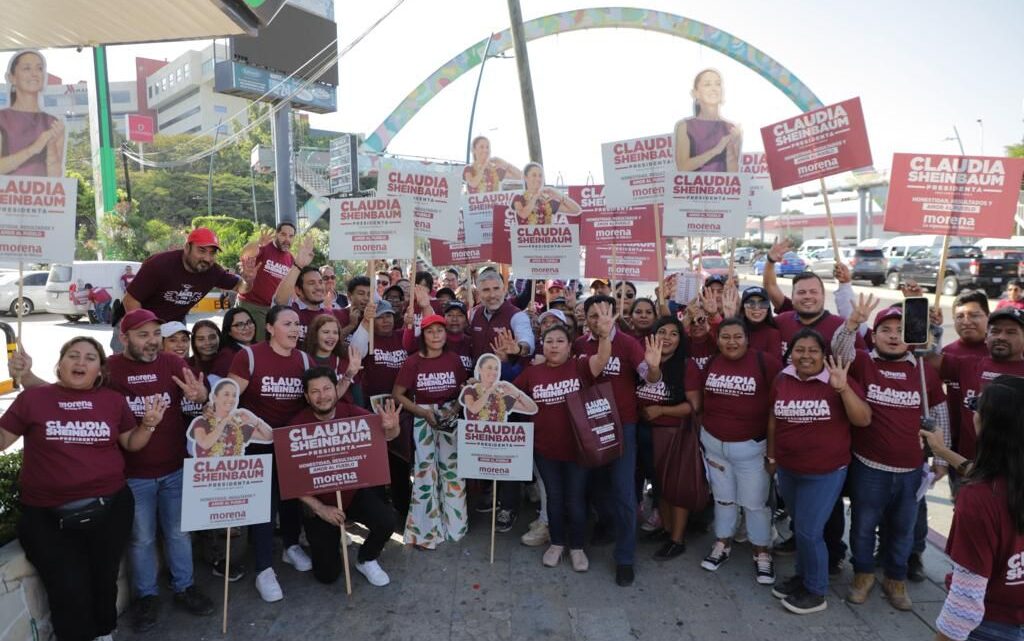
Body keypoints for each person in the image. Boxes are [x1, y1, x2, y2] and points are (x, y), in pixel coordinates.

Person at [6, 310, 216, 632]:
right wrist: (26, 376)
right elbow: (65, 393)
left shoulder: (173, 363)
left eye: (156, 334)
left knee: (178, 533)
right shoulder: (111, 369)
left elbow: (200, 396)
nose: (152, 341)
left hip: (174, 470)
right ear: (124, 336)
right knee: (141, 540)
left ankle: (184, 588)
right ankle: (146, 598)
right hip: (132, 476)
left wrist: (200, 396)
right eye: (143, 335)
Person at [1, 337, 160, 641]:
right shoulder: (33, 399)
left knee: (104, 578)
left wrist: (148, 425)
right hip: (47, 516)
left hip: (110, 509)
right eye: (73, 356)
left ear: (100, 370)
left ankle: (104, 631)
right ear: (59, 364)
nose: (80, 362)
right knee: (67, 588)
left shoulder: (113, 401)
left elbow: (131, 443)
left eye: (90, 358)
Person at [838, 306, 949, 611]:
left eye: (900, 331)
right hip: (869, 466)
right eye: (885, 330)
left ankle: (895, 579)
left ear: (911, 338)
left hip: (911, 469)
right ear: (873, 336)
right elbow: (838, 350)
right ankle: (862, 574)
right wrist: (851, 325)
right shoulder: (862, 361)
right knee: (862, 525)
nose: (893, 336)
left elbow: (938, 413)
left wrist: (941, 456)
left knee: (903, 528)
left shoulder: (923, 369)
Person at [767, 329, 871, 615]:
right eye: (800, 350)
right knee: (800, 529)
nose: (806, 356)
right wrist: (772, 455)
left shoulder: (835, 379)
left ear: (823, 354)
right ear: (791, 353)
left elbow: (863, 419)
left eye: (813, 350)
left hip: (825, 472)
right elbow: (774, 420)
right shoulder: (782, 378)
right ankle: (803, 576)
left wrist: (842, 389)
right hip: (789, 469)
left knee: (810, 532)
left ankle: (816, 590)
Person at [924, 375, 1024, 641]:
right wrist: (942, 451)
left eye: (976, 405)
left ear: (989, 424)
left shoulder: (978, 499)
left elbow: (965, 604)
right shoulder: (1005, 483)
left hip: (989, 626)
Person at [226, 305, 313, 602]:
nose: (294, 329)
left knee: (291, 498)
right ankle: (263, 568)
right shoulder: (248, 356)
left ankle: (291, 547)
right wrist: (254, 428)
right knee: (263, 507)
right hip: (257, 446)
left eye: (298, 324)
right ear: (271, 328)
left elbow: (317, 398)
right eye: (287, 323)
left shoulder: (304, 359)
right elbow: (228, 403)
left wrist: (349, 375)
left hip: (291, 444)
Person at [575, 295, 663, 587]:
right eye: (592, 315)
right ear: (585, 318)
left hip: (622, 426)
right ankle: (606, 524)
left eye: (605, 314)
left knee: (624, 491)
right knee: (596, 485)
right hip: (588, 424)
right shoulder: (579, 344)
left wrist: (652, 368)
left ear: (615, 316)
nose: (599, 319)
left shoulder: (628, 343)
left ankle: (625, 557)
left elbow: (649, 378)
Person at [686, 318, 782, 582]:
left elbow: (779, 408)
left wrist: (773, 453)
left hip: (751, 450)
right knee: (723, 499)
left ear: (747, 338)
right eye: (725, 336)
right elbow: (702, 401)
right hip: (715, 447)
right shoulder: (711, 363)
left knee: (754, 504)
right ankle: (722, 542)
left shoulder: (766, 363)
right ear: (717, 340)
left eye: (737, 336)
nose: (731, 342)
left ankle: (761, 551)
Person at [291, 367, 402, 587]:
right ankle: (331, 544)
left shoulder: (352, 412)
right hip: (320, 504)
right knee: (327, 576)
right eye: (315, 391)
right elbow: (292, 480)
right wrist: (320, 509)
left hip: (352, 493)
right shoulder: (295, 426)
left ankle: (366, 558)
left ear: (336, 389)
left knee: (387, 520)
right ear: (306, 396)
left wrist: (392, 427)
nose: (322, 396)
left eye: (326, 388)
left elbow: (387, 436)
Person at [513, 324, 599, 571]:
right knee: (554, 498)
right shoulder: (532, 373)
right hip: (545, 450)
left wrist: (603, 334)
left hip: (578, 449)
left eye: (560, 340)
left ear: (570, 346)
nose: (554, 345)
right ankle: (558, 542)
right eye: (549, 340)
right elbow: (510, 394)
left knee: (575, 499)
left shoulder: (580, 366)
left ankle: (577, 547)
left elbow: (602, 359)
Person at [392, 314, 469, 549]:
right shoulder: (413, 361)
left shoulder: (454, 359)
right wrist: (422, 413)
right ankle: (424, 531)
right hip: (422, 418)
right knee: (425, 474)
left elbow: (462, 392)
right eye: (430, 331)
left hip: (449, 419)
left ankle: (455, 527)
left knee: (453, 473)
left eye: (440, 331)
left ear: (446, 335)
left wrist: (455, 409)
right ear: (423, 335)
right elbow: (398, 394)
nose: (436, 335)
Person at [636, 317, 695, 560]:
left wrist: (661, 411)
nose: (667, 337)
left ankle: (677, 540)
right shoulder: (642, 364)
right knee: (660, 487)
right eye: (662, 332)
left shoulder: (687, 366)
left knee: (675, 488)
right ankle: (667, 529)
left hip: (674, 435)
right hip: (646, 434)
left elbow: (693, 406)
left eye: (673, 333)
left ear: (680, 339)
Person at [125, 228, 256, 324]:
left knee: (178, 361)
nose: (207, 258)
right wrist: (146, 331)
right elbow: (130, 300)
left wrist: (248, 280)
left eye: (212, 253)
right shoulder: (159, 264)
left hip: (175, 324)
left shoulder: (213, 271)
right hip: (137, 318)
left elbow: (241, 287)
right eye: (201, 250)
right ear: (187, 248)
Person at [0, 50, 64, 176]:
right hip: (7, 194)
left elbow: (55, 178)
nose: (34, 74)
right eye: (26, 68)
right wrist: (33, 149)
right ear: (11, 78)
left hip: (40, 195)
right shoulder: (2, 118)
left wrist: (51, 147)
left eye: (39, 68)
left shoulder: (53, 123)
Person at [235, 223, 296, 342]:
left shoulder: (290, 258)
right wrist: (258, 243)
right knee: (258, 345)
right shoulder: (264, 248)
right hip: (252, 305)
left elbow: (290, 285)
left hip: (273, 310)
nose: (287, 239)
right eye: (283, 234)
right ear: (277, 234)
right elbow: (245, 254)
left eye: (291, 236)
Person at [673, 68, 740, 173]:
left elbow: (734, 175)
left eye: (718, 84)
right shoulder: (685, 126)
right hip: (694, 188)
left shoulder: (731, 128)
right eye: (707, 84)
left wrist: (735, 144)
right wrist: (716, 150)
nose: (714, 88)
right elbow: (682, 167)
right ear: (695, 93)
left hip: (721, 188)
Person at [187, 378, 272, 457]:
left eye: (234, 395)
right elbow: (205, 444)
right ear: (214, 397)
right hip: (208, 471)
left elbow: (269, 437)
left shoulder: (238, 424)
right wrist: (224, 421)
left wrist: (255, 421)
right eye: (226, 394)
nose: (231, 399)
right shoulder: (202, 422)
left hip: (235, 472)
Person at [303, 312, 362, 404]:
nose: (331, 337)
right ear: (315, 335)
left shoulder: (346, 361)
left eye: (335, 333)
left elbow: (358, 400)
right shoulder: (304, 361)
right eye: (326, 332)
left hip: (347, 415)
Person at [511, 163, 581, 225]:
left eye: (540, 176)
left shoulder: (547, 200)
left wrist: (558, 195)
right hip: (525, 238)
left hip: (546, 238)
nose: (538, 179)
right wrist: (536, 196)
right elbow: (523, 214)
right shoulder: (518, 198)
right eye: (534, 175)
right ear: (525, 177)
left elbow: (576, 210)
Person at [335, 276, 374, 344]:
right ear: (349, 296)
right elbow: (331, 342)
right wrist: (351, 325)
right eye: (361, 294)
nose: (366, 298)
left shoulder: (373, 318)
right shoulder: (336, 315)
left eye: (369, 294)